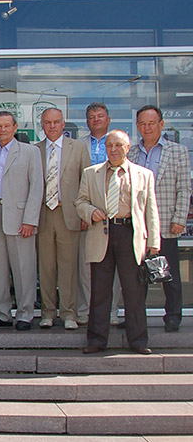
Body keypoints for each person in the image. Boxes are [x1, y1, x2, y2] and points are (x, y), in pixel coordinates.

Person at [76, 130, 160, 355]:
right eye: (109, 145)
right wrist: (90, 211)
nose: (113, 149)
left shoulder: (144, 174)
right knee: (100, 292)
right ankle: (96, 340)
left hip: (130, 234)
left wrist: (154, 241)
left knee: (134, 292)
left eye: (118, 145)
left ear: (127, 148)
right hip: (101, 233)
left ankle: (139, 341)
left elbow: (150, 209)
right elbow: (80, 201)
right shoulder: (91, 173)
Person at [128, 105, 191, 332]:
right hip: (137, 226)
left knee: (169, 274)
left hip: (165, 223)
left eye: (151, 123)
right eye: (142, 124)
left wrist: (180, 218)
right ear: (137, 127)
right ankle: (135, 317)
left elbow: (184, 188)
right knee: (136, 277)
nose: (147, 128)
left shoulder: (178, 151)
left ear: (161, 125)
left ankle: (173, 316)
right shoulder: (131, 153)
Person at [0, 111, 43, 331]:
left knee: (24, 268)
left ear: (16, 128)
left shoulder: (29, 152)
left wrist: (30, 220)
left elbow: (36, 188)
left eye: (7, 126)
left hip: (20, 219)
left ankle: (25, 313)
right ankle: (2, 313)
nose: (3, 130)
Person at [36, 108, 89, 329]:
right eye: (47, 122)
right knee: (46, 267)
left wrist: (86, 212)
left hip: (69, 213)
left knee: (68, 267)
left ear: (63, 124)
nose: (52, 126)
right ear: (42, 125)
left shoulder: (78, 148)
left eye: (56, 122)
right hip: (43, 214)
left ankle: (69, 313)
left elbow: (86, 181)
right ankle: (48, 312)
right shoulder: (35, 150)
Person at [77, 103, 122, 326]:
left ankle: (112, 312)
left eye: (100, 116)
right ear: (87, 121)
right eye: (92, 117)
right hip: (88, 210)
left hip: (116, 210)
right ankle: (85, 311)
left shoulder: (119, 143)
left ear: (108, 119)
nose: (96, 120)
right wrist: (83, 213)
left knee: (113, 265)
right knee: (87, 266)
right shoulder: (79, 145)